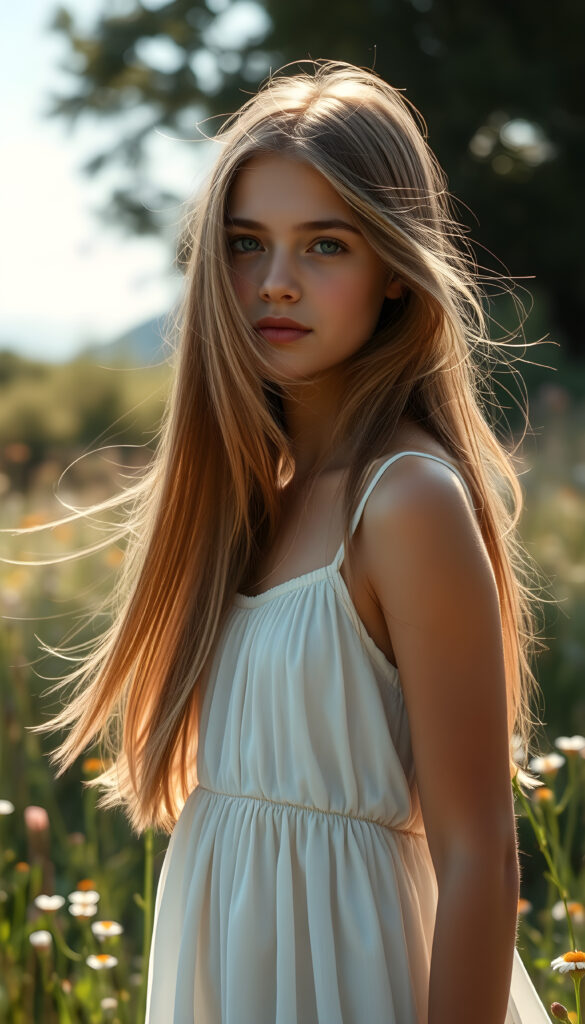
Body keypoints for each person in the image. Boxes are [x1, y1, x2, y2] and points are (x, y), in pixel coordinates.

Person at [31, 60, 551, 1023]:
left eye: (323, 245)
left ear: (394, 270)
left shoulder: (404, 502)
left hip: (358, 982)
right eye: (245, 243)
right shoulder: (250, 499)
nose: (274, 283)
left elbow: (478, 852)